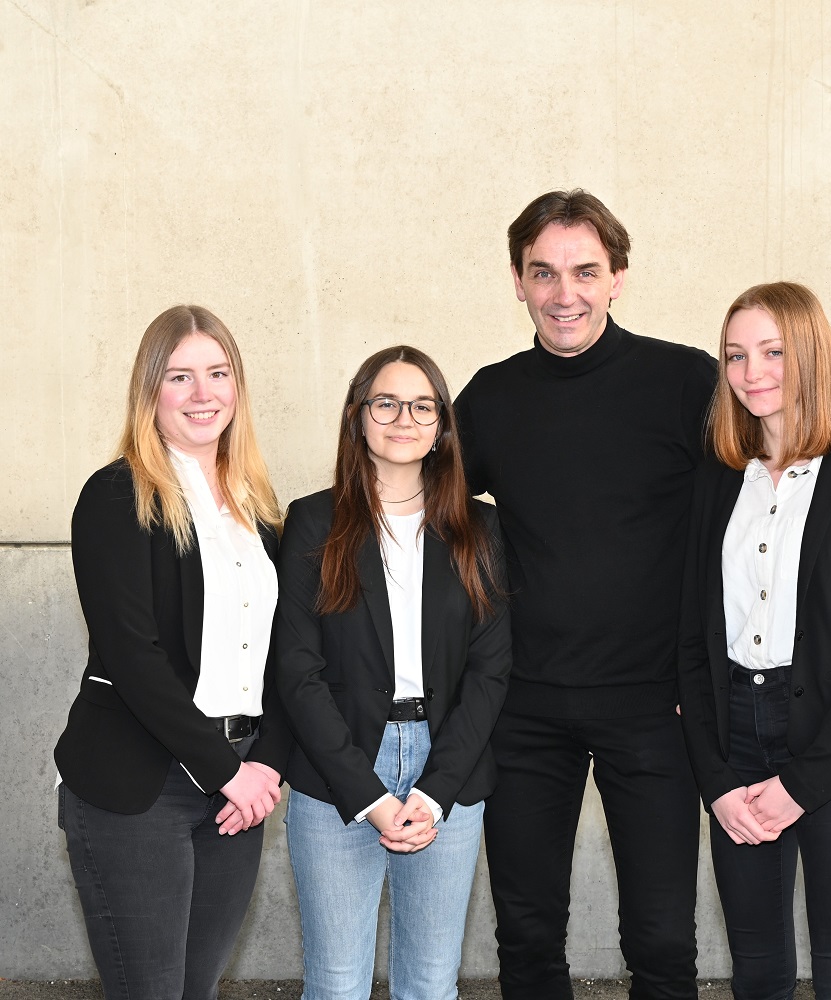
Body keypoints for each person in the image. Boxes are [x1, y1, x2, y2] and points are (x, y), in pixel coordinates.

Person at [453, 189, 716, 1000]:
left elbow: (739, 532)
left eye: (584, 272)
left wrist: (704, 676)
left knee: (662, 941)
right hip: (525, 709)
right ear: (517, 281)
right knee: (527, 935)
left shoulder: (686, 382)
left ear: (617, 278)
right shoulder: (491, 396)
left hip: (654, 705)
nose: (563, 293)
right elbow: (425, 516)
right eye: (543, 273)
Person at [677, 282, 831, 999]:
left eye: (773, 351)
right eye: (735, 355)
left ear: (810, 353)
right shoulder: (716, 481)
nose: (751, 372)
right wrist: (716, 781)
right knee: (756, 971)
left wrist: (804, 785)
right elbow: (691, 640)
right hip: (736, 739)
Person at [54, 305, 290, 1000]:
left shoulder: (257, 509)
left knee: (198, 990)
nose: (202, 393)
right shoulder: (116, 495)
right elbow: (133, 657)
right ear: (149, 390)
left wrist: (266, 765)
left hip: (238, 788)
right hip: (140, 787)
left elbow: (284, 656)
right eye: (180, 376)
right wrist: (227, 772)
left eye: (218, 373)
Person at [275, 346, 511, 1000]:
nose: (404, 419)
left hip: (448, 770)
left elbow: (490, 670)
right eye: (386, 403)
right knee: (336, 984)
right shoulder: (314, 521)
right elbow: (297, 670)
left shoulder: (478, 526)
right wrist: (369, 797)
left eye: (422, 406)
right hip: (338, 770)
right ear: (358, 416)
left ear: (442, 426)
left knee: (431, 984)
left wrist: (434, 792)